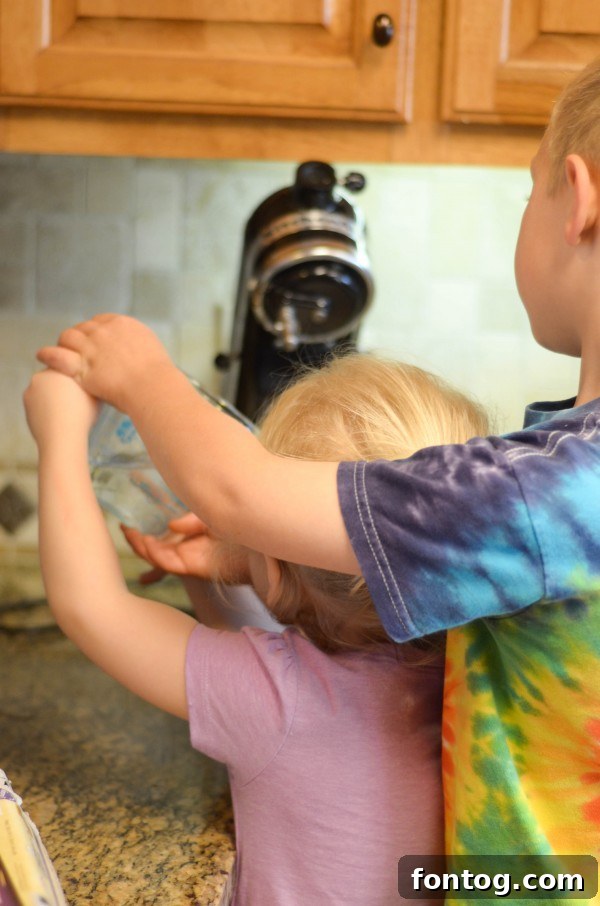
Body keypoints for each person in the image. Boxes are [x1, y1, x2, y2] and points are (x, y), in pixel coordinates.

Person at [32, 56, 600, 890]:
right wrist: (248, 557)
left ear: (578, 200)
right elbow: (354, 553)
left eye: (530, 189)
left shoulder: (547, 490)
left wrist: (113, 394)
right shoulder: (507, 566)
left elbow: (228, 499)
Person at [24, 354, 490, 905]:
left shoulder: (282, 701)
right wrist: (241, 560)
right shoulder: (477, 662)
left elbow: (91, 607)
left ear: (274, 561)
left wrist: (60, 436)